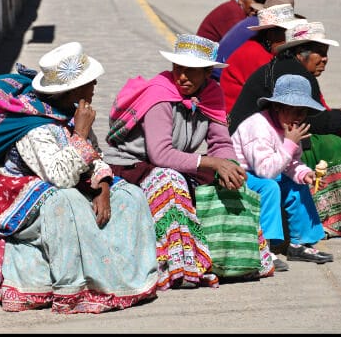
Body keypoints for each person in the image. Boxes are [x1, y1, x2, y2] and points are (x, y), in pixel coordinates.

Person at [0, 43, 159, 314]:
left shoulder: (70, 114)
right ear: (72, 91)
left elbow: (94, 156)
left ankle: (130, 280)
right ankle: (76, 288)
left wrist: (104, 186)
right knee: (69, 202)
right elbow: (59, 177)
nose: (95, 84)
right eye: (89, 81)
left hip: (68, 183)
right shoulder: (34, 126)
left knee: (131, 197)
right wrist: (81, 133)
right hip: (26, 196)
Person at [103, 34, 273, 289]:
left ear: (207, 73)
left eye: (191, 71)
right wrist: (213, 163)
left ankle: (238, 259)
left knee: (230, 179)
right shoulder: (160, 96)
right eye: (178, 68)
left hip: (177, 161)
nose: (182, 76)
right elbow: (160, 154)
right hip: (134, 164)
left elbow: (221, 142)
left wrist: (228, 165)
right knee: (170, 181)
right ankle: (179, 266)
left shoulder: (212, 94)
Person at [228, 21, 341, 241]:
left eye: (326, 53)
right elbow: (313, 123)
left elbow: (294, 154)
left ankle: (306, 238)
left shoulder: (292, 81)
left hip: (272, 148)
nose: (325, 59)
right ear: (300, 53)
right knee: (331, 145)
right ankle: (327, 221)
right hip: (249, 163)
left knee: (300, 179)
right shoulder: (290, 82)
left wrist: (303, 173)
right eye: (320, 52)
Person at [231, 74, 335, 270]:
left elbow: (291, 163)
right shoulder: (258, 127)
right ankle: (264, 247)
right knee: (270, 187)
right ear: (277, 107)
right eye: (294, 110)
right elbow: (265, 171)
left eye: (303, 112)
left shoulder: (289, 129)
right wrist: (289, 143)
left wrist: (304, 174)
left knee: (299, 184)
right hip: (241, 174)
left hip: (268, 170)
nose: (299, 117)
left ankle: (300, 244)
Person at [219, 1, 301, 116]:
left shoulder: (266, 49)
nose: (292, 37)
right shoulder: (255, 53)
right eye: (287, 32)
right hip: (237, 117)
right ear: (271, 34)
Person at [212, 0, 299, 80]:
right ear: (272, 32)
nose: (288, 38)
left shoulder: (258, 33)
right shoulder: (258, 54)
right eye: (286, 32)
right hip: (218, 77)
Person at [196, 0, 271, 43]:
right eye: (256, 0)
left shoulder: (241, 11)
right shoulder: (232, 12)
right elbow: (241, 43)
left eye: (262, 1)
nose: (258, 7)